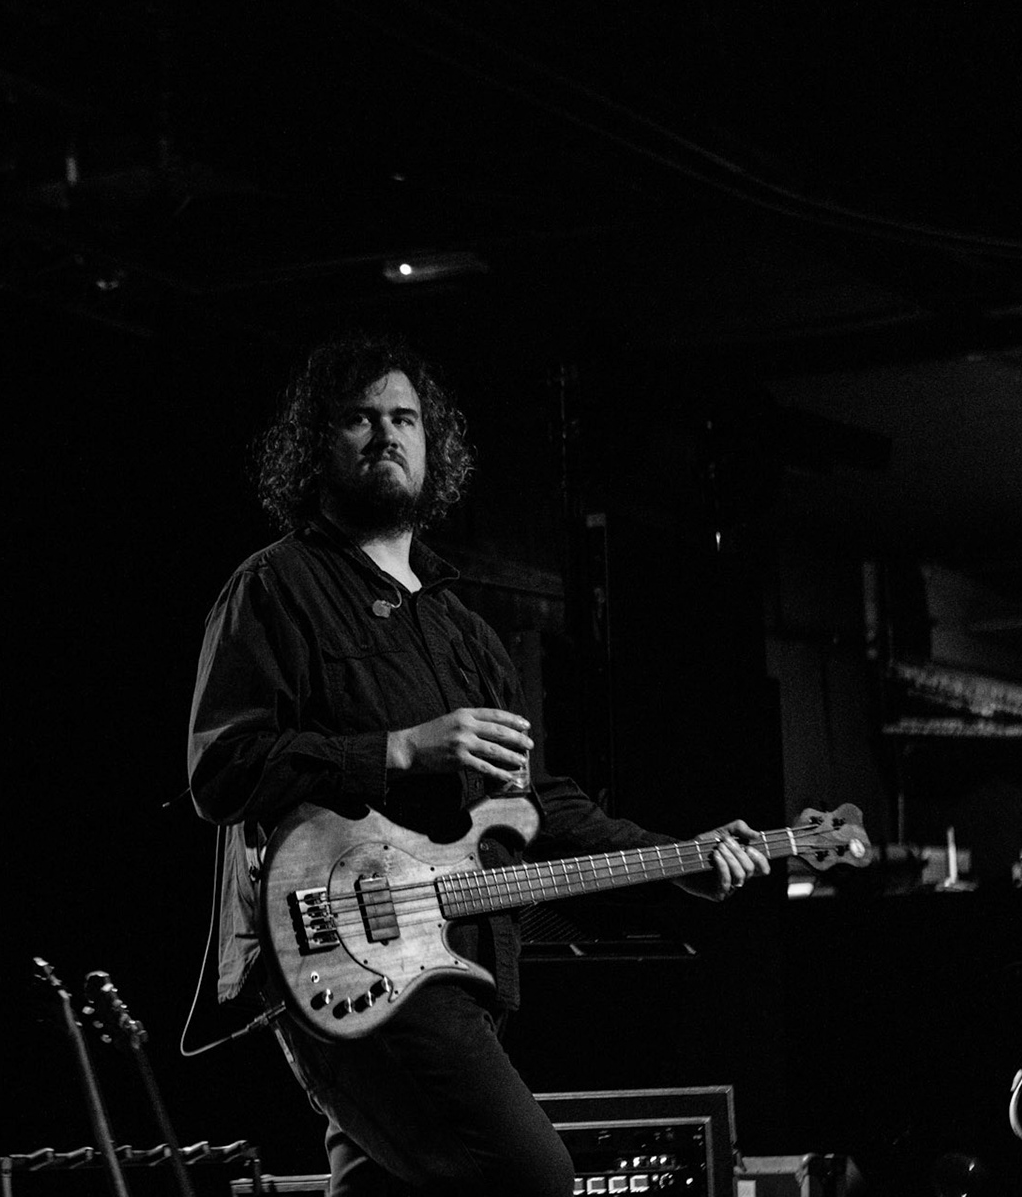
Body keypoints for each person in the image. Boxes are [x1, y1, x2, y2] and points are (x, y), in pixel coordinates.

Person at [187, 332, 770, 1196]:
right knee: (531, 1177)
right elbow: (222, 771)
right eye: (358, 419)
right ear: (316, 447)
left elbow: (535, 808)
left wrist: (679, 858)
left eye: (404, 419)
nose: (386, 435)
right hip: (346, 956)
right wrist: (399, 747)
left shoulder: (466, 635)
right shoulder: (275, 588)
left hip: (463, 959)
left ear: (434, 446)